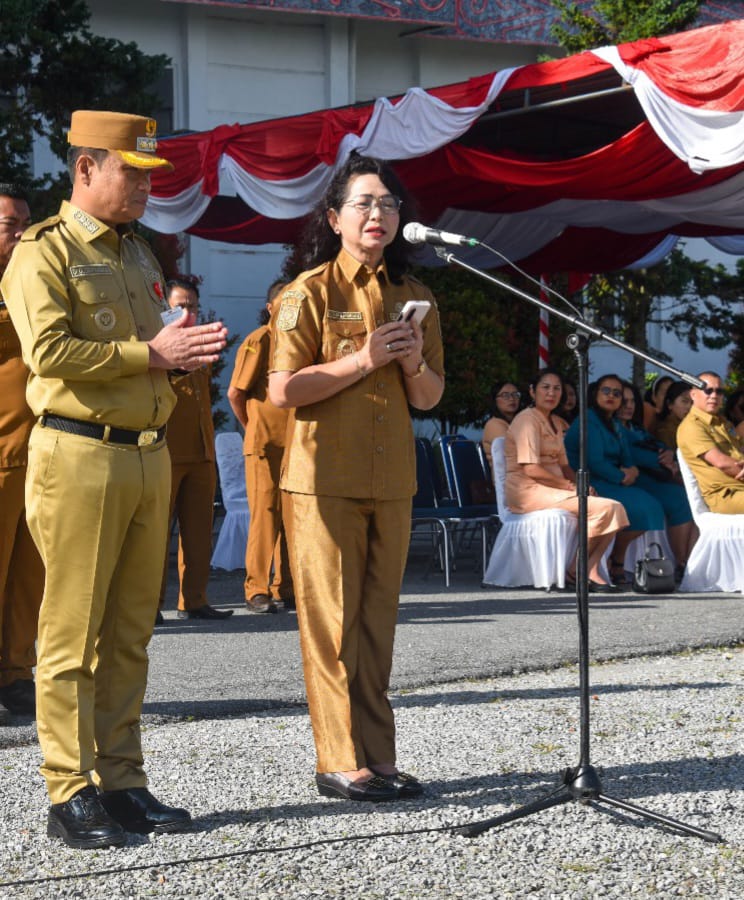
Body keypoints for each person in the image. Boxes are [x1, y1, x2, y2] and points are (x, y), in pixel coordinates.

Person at [1, 110, 228, 849]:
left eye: (147, 176)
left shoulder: (137, 254)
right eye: (130, 173)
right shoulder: (43, 252)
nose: (141, 189)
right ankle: (69, 791)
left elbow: (152, 346)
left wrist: (184, 355)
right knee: (69, 635)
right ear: (86, 169)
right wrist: (153, 355)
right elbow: (50, 352)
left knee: (131, 632)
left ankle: (123, 780)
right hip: (78, 454)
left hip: (146, 451)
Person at [268, 153, 445, 802]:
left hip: (391, 480)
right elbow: (284, 390)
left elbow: (428, 398)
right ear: (335, 216)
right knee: (331, 624)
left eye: (390, 204)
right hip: (323, 481)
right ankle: (340, 761)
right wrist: (365, 358)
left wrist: (411, 363)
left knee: (377, 625)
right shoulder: (308, 293)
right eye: (365, 203)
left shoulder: (416, 295)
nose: (380, 214)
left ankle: (380, 756)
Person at [505, 369, 627, 592]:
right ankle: (581, 570)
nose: (551, 393)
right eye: (545, 387)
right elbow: (531, 469)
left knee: (614, 508)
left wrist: (582, 486)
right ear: (532, 392)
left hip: (553, 488)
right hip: (527, 490)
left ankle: (583, 568)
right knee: (605, 508)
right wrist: (572, 487)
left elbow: (564, 466)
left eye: (557, 388)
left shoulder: (554, 422)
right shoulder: (527, 420)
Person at [159, 278, 232, 621]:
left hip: (202, 452)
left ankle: (195, 599)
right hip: (168, 451)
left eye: (192, 306)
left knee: (200, 532)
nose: (187, 312)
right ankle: (149, 605)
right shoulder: (157, 343)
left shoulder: (202, 346)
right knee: (157, 536)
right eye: (180, 305)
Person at [0, 183, 44, 725]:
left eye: (25, 222)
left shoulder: (34, 282)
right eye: (10, 223)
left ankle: (15, 672)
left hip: (40, 448)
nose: (20, 232)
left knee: (30, 573)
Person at [227, 281, 294, 614]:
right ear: (270, 308)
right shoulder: (260, 340)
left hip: (295, 446)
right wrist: (253, 428)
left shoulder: (300, 342)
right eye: (283, 302)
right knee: (265, 517)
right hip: (265, 444)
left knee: (292, 519)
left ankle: (285, 588)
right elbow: (235, 393)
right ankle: (257, 589)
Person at [565, 374, 667, 582]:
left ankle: (616, 559)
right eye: (606, 391)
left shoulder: (614, 423)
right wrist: (622, 477)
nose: (611, 396)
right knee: (637, 506)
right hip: (590, 481)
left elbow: (627, 456)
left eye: (616, 393)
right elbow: (594, 461)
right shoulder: (588, 420)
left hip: (614, 480)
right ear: (595, 394)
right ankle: (593, 565)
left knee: (651, 505)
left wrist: (632, 471)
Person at [617, 381, 696, 576]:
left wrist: (669, 455)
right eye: (623, 401)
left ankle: (687, 562)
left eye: (632, 401)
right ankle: (680, 562)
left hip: (655, 474)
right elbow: (634, 455)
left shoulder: (636, 427)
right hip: (636, 478)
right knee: (678, 499)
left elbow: (658, 445)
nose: (628, 406)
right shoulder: (614, 427)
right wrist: (664, 463)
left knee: (687, 497)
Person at [677, 372, 744, 513]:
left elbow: (739, 451)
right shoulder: (692, 426)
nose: (714, 396)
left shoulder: (723, 423)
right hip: (727, 495)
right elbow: (722, 463)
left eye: (719, 391)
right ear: (693, 394)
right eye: (707, 390)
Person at [481, 380, 521, 466]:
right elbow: (513, 451)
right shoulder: (493, 424)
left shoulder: (518, 422)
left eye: (515, 394)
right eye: (505, 395)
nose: (512, 399)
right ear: (495, 400)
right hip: (505, 476)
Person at [654, 380, 692, 450]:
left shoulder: (690, 426)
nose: (689, 406)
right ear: (670, 404)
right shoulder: (664, 432)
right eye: (684, 401)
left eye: (692, 402)